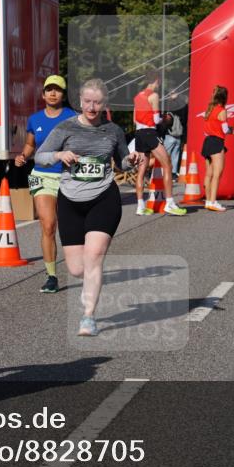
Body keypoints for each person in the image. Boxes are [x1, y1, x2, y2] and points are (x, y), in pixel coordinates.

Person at [34, 78, 143, 336]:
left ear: (104, 103)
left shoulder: (113, 130)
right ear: (80, 101)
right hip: (70, 199)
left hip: (103, 197)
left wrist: (131, 160)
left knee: (94, 255)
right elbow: (40, 155)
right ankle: (90, 286)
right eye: (87, 102)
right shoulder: (65, 128)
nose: (92, 107)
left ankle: (88, 316)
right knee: (76, 268)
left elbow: (121, 163)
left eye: (97, 102)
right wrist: (60, 155)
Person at [15, 74, 77, 294]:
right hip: (42, 174)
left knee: (72, 227)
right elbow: (30, 144)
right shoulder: (35, 119)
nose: (52, 93)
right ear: (42, 94)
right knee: (48, 224)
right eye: (49, 89)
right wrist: (22, 156)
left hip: (69, 177)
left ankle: (83, 264)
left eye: (57, 90)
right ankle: (51, 276)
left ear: (63, 94)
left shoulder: (73, 117)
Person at [132, 69, 186, 216]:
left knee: (141, 170)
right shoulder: (154, 95)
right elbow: (156, 120)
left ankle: (140, 206)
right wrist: (166, 118)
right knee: (167, 163)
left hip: (139, 133)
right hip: (150, 132)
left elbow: (134, 119)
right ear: (157, 80)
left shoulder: (137, 96)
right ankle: (169, 203)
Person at [201, 85, 234, 212]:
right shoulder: (222, 110)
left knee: (209, 173)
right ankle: (213, 201)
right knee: (218, 173)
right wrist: (232, 131)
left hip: (207, 141)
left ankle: (208, 200)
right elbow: (225, 129)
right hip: (217, 142)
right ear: (224, 97)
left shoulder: (210, 109)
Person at [161, 106, 184, 180]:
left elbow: (166, 123)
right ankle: (173, 174)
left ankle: (163, 172)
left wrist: (163, 134)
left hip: (169, 136)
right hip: (178, 137)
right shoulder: (180, 112)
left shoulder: (169, 113)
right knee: (175, 156)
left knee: (165, 155)